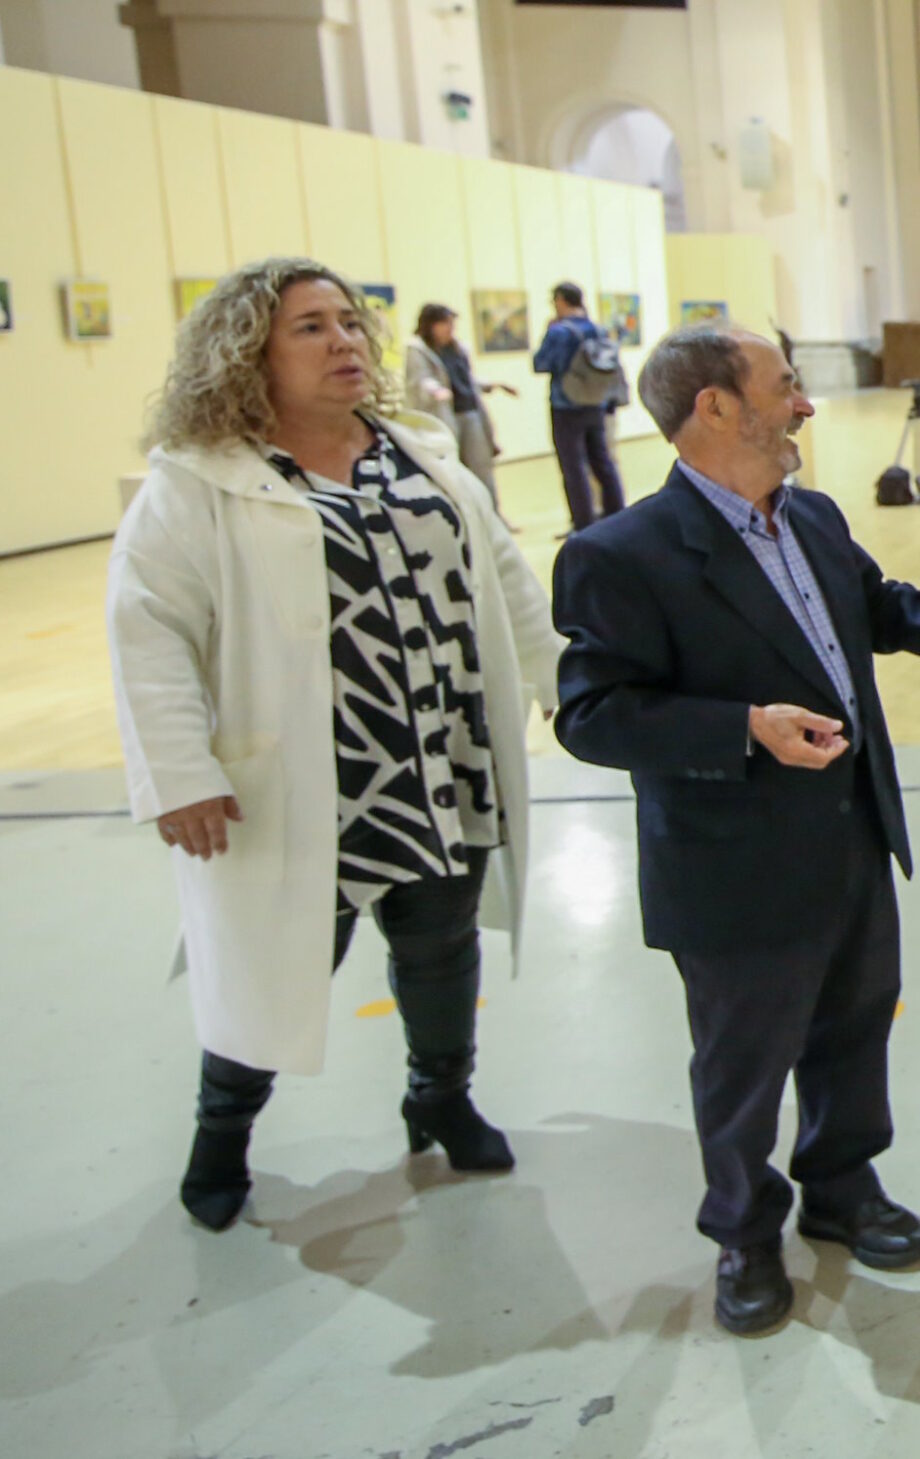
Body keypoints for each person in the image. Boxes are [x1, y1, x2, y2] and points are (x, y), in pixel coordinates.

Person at [550, 323, 920, 1338]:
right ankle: (743, 1232)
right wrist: (743, 730)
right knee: (742, 1064)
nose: (806, 403)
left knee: (855, 1026)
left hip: (851, 831)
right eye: (785, 386)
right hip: (730, 864)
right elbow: (591, 716)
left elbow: (883, 611)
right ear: (716, 408)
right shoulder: (619, 554)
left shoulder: (810, 517)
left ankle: (841, 1187)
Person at [108, 257, 565, 1231]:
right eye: (310, 328)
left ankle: (440, 1093)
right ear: (247, 357)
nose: (344, 341)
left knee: (440, 944)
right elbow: (149, 631)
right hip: (301, 782)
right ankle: (221, 1133)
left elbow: (509, 585)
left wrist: (568, 685)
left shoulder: (424, 455)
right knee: (276, 960)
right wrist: (179, 772)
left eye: (349, 323)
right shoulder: (200, 481)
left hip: (439, 764)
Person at [404, 302, 518, 518]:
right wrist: (436, 391)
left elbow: (467, 380)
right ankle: (464, 518)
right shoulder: (418, 349)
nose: (449, 329)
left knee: (482, 469)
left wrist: (494, 384)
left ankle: (493, 518)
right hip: (445, 417)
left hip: (470, 413)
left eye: (451, 324)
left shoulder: (458, 348)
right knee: (452, 472)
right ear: (430, 325)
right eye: (444, 324)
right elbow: (419, 381)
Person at [532, 281, 627, 531]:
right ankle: (616, 513)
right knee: (603, 462)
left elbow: (540, 363)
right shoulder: (598, 330)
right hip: (596, 402)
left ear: (561, 300)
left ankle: (584, 523)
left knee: (573, 466)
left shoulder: (559, 332)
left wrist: (547, 333)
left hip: (566, 405)